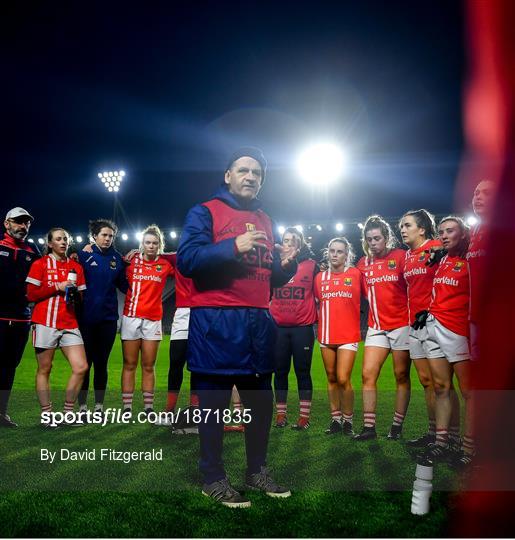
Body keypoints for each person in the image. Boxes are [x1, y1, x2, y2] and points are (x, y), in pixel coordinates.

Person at [177, 146, 297, 508]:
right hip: (217, 320)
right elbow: (187, 260)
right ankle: (212, 477)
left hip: (258, 322)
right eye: (243, 170)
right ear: (228, 176)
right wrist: (233, 245)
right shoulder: (204, 212)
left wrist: (285, 267)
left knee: (261, 403)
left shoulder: (265, 218)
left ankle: (256, 471)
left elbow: (266, 276)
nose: (250, 177)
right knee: (213, 405)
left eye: (257, 173)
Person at [400, 209, 461, 448]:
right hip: (414, 325)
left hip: (436, 323)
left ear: (422, 229)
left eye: (407, 225)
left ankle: (452, 435)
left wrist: (443, 250)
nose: (402, 229)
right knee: (426, 382)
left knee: (442, 383)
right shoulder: (406, 256)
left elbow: (454, 254)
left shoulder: (436, 246)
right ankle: (434, 431)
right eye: (402, 226)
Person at [415, 217, 473, 467]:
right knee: (441, 387)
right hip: (434, 325)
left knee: (469, 392)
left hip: (458, 328)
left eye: (451, 231)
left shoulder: (470, 259)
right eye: (442, 232)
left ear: (463, 233)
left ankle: (469, 448)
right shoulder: (441, 259)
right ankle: (442, 443)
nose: (445, 235)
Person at [354, 215, 411, 441]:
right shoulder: (362, 263)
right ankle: (369, 428)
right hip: (375, 327)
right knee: (368, 374)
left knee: (401, 376)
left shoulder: (400, 257)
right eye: (369, 239)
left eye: (377, 238)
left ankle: (396, 427)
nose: (373, 243)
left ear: (386, 238)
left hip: (401, 325)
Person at [25, 228, 88, 425]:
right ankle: (47, 415)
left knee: (81, 367)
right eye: (58, 239)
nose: (63, 242)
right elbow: (31, 295)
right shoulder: (40, 264)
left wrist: (74, 294)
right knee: (45, 368)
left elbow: (81, 298)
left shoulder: (76, 267)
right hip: (45, 322)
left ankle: (67, 414)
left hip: (69, 322)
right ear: (50, 244)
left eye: (65, 239)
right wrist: (56, 287)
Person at [120, 225, 174, 416]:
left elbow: (182, 259)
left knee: (148, 365)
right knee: (129, 364)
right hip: (131, 317)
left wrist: (166, 254)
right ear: (142, 244)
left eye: (155, 243)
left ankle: (148, 407)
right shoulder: (131, 261)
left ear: (159, 245)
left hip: (153, 320)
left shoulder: (166, 265)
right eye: (147, 242)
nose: (151, 246)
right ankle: (127, 407)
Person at [77, 219, 128, 416]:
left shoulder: (117, 259)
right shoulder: (83, 255)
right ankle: (82, 407)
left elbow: (124, 286)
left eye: (110, 236)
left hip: (107, 320)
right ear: (94, 237)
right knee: (85, 364)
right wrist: (76, 249)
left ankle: (98, 406)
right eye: (104, 235)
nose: (107, 239)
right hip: (86, 319)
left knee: (101, 364)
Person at [270, 227, 318, 431]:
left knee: (302, 372)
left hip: (302, 329)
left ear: (300, 244)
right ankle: (281, 414)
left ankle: (304, 417)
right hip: (278, 328)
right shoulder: (272, 265)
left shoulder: (312, 266)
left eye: (293, 240)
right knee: (279, 371)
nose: (288, 243)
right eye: (285, 239)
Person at [314, 237, 362, 436]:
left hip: (348, 335)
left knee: (343, 378)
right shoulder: (319, 278)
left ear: (346, 254)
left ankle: (348, 421)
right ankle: (335, 419)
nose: (335, 255)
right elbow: (318, 302)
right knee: (332, 378)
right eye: (332, 251)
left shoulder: (356, 274)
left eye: (339, 251)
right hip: (326, 335)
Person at [0, 207, 40, 427]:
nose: (23, 227)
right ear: (7, 224)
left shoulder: (33, 252)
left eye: (26, 223)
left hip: (22, 319)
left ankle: (1, 412)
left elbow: (51, 266)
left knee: (9, 366)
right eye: (18, 222)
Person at [466, 179, 495, 360]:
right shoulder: (473, 231)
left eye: (487, 193)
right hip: (475, 315)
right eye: (476, 193)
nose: (478, 197)